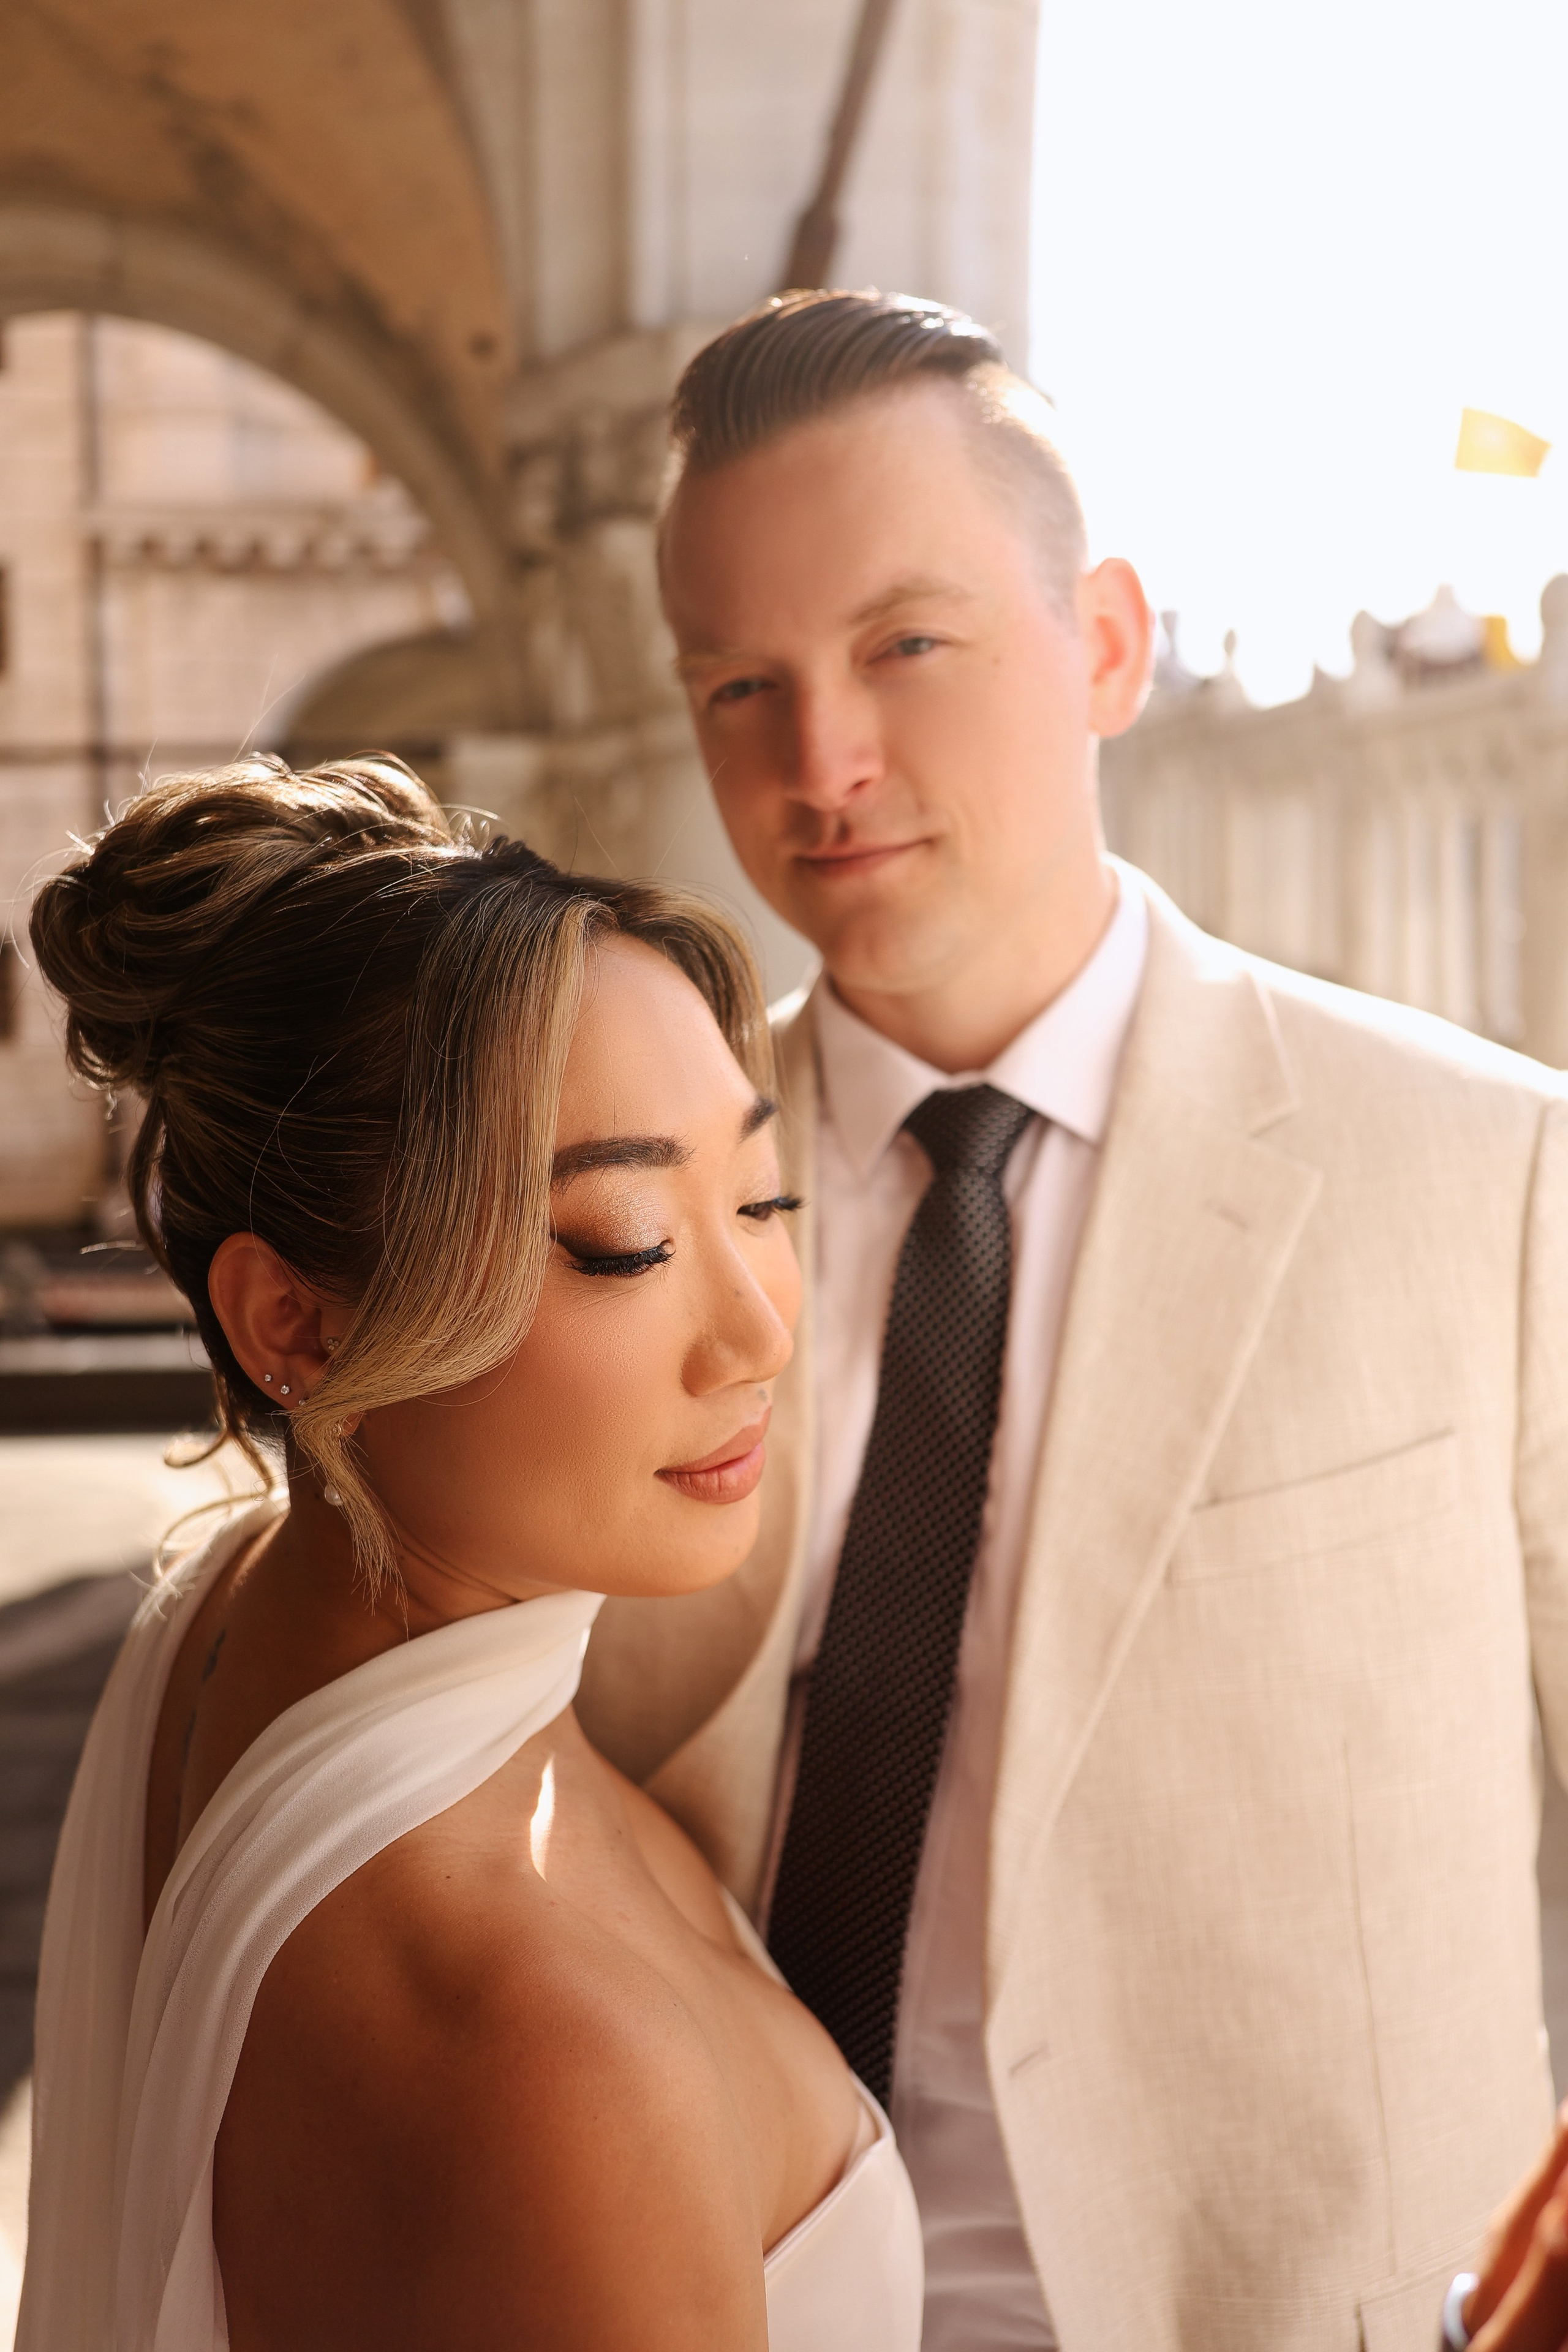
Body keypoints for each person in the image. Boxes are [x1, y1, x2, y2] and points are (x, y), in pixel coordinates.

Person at [573, 288, 1568, 2352]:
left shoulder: (1494, 1178)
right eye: (737, 682)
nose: (821, 760)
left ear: (1105, 642)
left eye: (903, 647)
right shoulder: (591, 1227)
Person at [15, 757, 925, 2352]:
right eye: (626, 1245)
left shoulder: (239, 1612)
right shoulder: (558, 2068)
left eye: (761, 1195)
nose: (762, 1326)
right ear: (293, 1321)